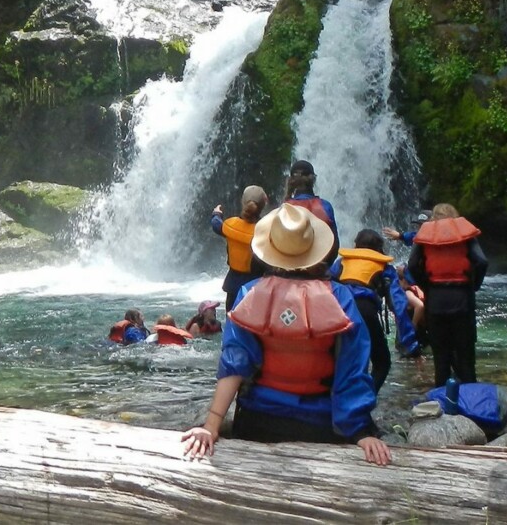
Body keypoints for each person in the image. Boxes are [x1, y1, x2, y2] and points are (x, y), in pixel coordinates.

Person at [180, 203, 391, 466]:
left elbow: (234, 362)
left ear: (270, 250)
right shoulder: (341, 298)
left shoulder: (249, 293)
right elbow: (352, 368)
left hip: (257, 422)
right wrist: (361, 432)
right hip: (321, 425)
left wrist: (211, 425)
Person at [330, 229, 421, 390]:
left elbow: (325, 287)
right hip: (365, 312)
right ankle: (366, 396)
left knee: (338, 360)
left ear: (356, 245)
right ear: (379, 249)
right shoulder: (385, 268)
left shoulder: (341, 263)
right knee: (382, 363)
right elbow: (398, 305)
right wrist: (409, 342)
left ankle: (336, 397)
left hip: (339, 311)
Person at [407, 203, 486, 386]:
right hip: (462, 299)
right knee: (465, 358)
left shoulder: (425, 235)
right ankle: (470, 397)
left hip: (435, 300)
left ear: (434, 217)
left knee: (441, 359)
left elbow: (412, 265)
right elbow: (482, 261)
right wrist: (474, 284)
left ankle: (442, 398)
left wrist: (426, 285)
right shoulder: (464, 234)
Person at [209, 185, 269, 310]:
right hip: (255, 285)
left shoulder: (230, 225)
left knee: (231, 317)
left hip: (233, 283)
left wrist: (216, 213)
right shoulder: (264, 231)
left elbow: (216, 224)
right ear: (263, 205)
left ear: (243, 202)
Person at [282, 159, 339, 265]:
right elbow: (334, 245)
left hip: (291, 266)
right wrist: (324, 267)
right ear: (313, 179)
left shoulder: (285, 207)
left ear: (291, 181)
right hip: (319, 267)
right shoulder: (326, 206)